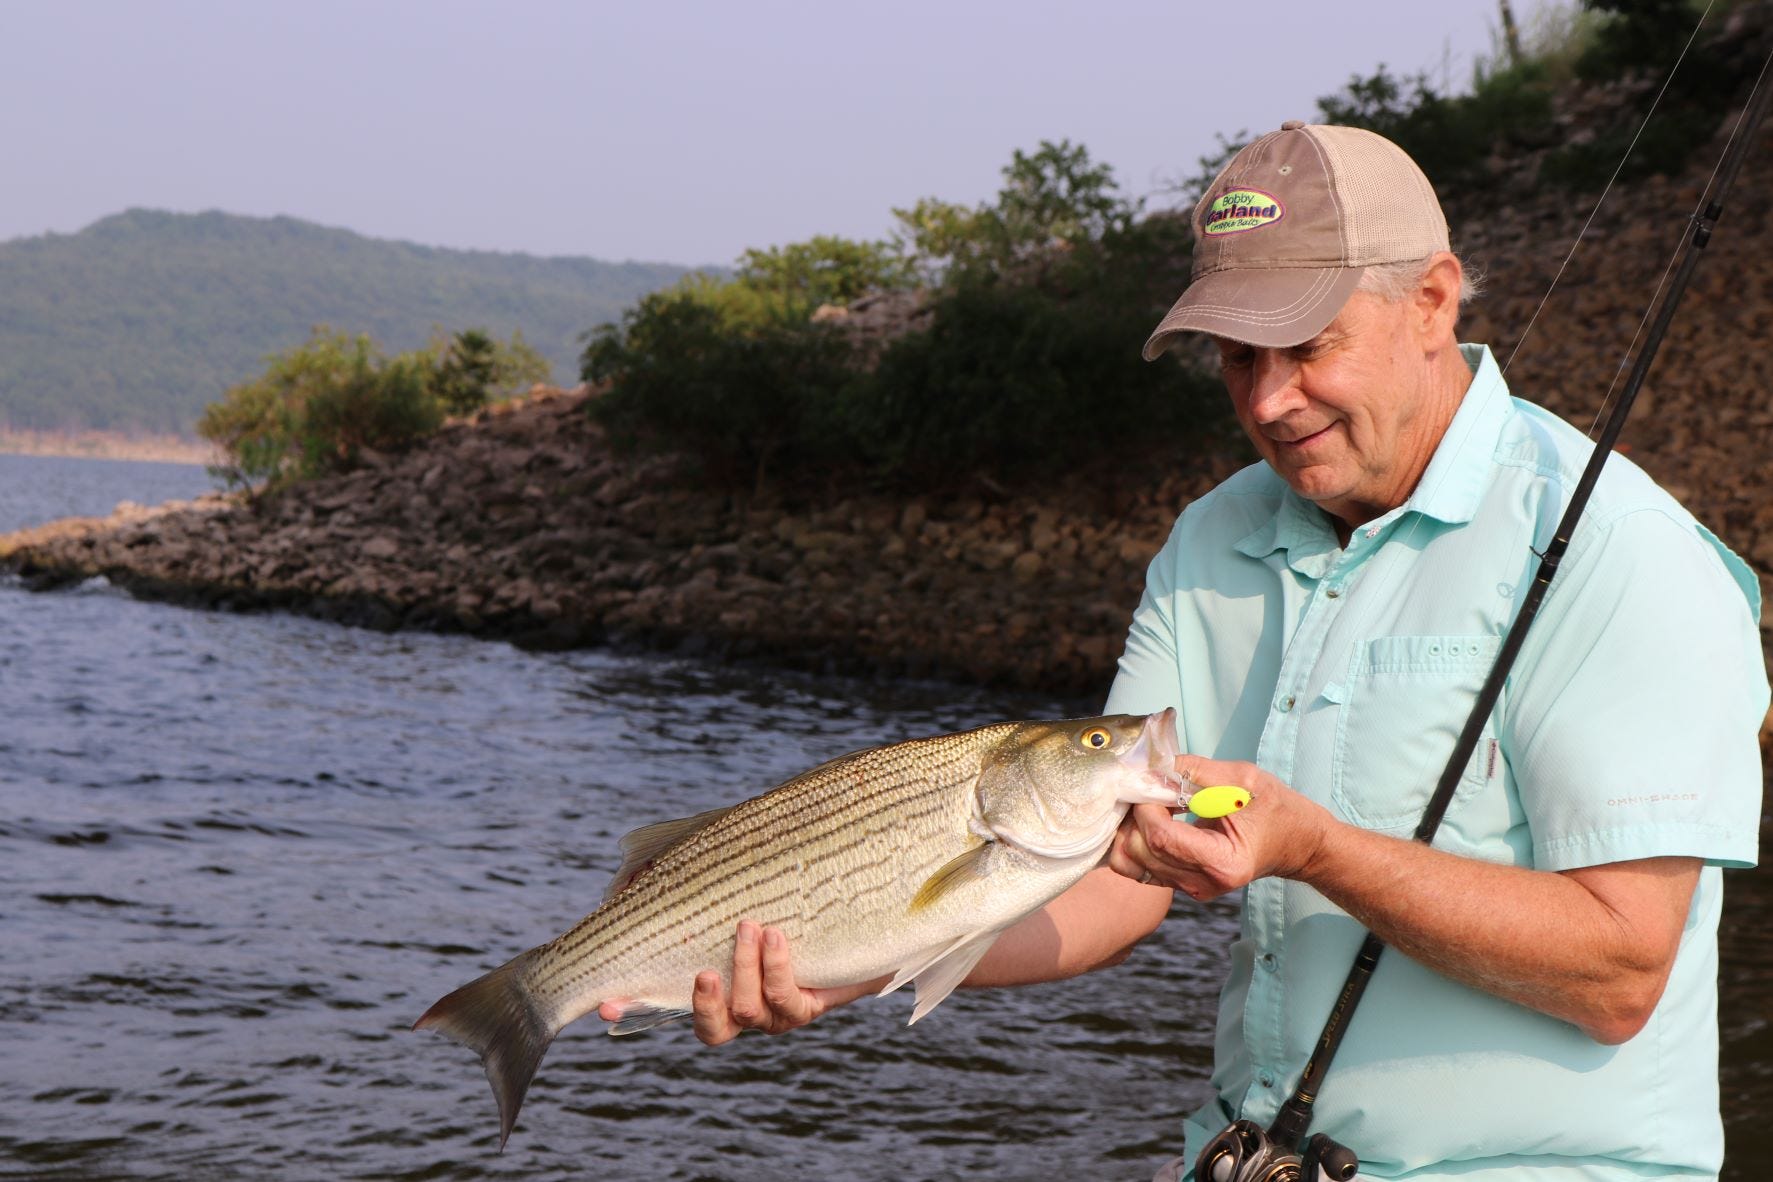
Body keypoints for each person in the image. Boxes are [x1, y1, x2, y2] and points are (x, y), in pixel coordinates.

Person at [622, 122, 1770, 1180]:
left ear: (1432, 301)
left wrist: (1315, 848)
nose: (1270, 400)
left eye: (1306, 346)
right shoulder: (1211, 537)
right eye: (1233, 358)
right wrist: (846, 957)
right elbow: (1118, 883)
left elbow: (1621, 972)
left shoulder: (1626, 552)